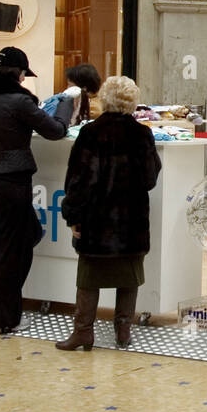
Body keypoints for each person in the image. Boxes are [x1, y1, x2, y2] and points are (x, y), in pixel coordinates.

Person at [0, 47, 73, 334]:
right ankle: (5, 317)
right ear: (19, 74)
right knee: (13, 249)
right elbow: (55, 131)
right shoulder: (21, 102)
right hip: (13, 182)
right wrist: (67, 105)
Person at [56, 76, 161, 352]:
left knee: (89, 277)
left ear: (104, 99)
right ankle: (123, 331)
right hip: (131, 221)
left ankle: (83, 333)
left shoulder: (90, 133)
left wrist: (73, 216)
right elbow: (150, 179)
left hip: (96, 220)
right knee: (129, 276)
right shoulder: (143, 134)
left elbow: (78, 182)